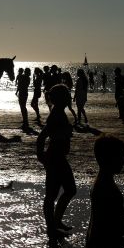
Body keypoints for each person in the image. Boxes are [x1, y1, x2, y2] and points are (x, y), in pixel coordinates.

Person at [36, 84, 76, 237]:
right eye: (67, 96)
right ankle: (52, 227)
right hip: (55, 158)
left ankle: (55, 222)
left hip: (57, 157)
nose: (69, 98)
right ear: (61, 99)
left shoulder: (58, 112)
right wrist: (41, 157)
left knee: (68, 190)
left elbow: (47, 136)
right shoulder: (56, 114)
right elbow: (44, 137)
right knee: (53, 195)